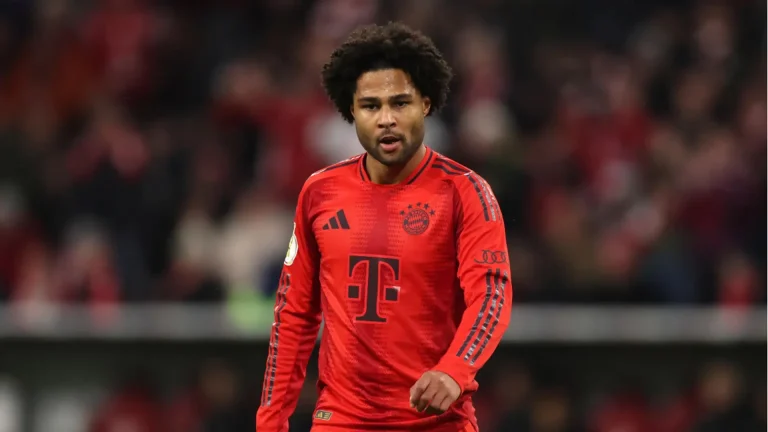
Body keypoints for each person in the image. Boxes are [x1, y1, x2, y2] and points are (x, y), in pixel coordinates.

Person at [257, 22, 512, 432]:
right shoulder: (319, 192)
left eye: (400, 103)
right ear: (351, 111)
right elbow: (294, 315)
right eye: (371, 106)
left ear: (426, 104)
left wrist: (454, 370)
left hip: (435, 422)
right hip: (341, 421)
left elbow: (491, 297)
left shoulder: (465, 193)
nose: (386, 119)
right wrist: (270, 423)